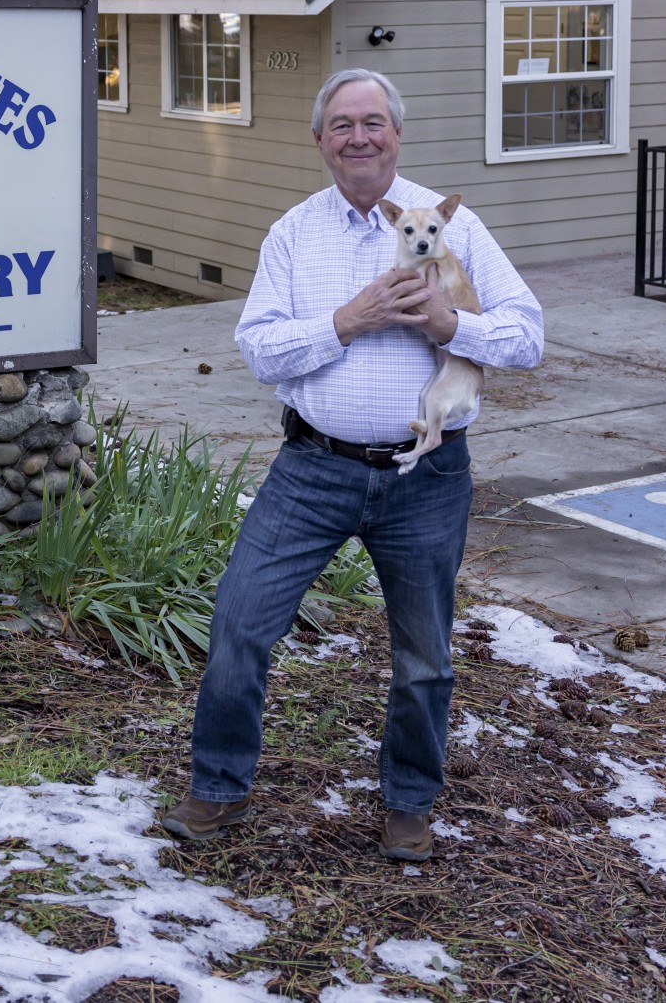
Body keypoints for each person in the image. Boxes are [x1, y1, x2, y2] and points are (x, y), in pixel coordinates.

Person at [161, 68, 544, 861]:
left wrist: (449, 326)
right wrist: (344, 322)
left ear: (396, 136)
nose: (359, 137)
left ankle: (409, 802)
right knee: (239, 622)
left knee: (423, 655)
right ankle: (217, 789)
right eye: (342, 124)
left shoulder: (448, 223)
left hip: (426, 481)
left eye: (373, 122)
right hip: (312, 470)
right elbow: (258, 350)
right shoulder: (294, 234)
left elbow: (527, 337)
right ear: (320, 141)